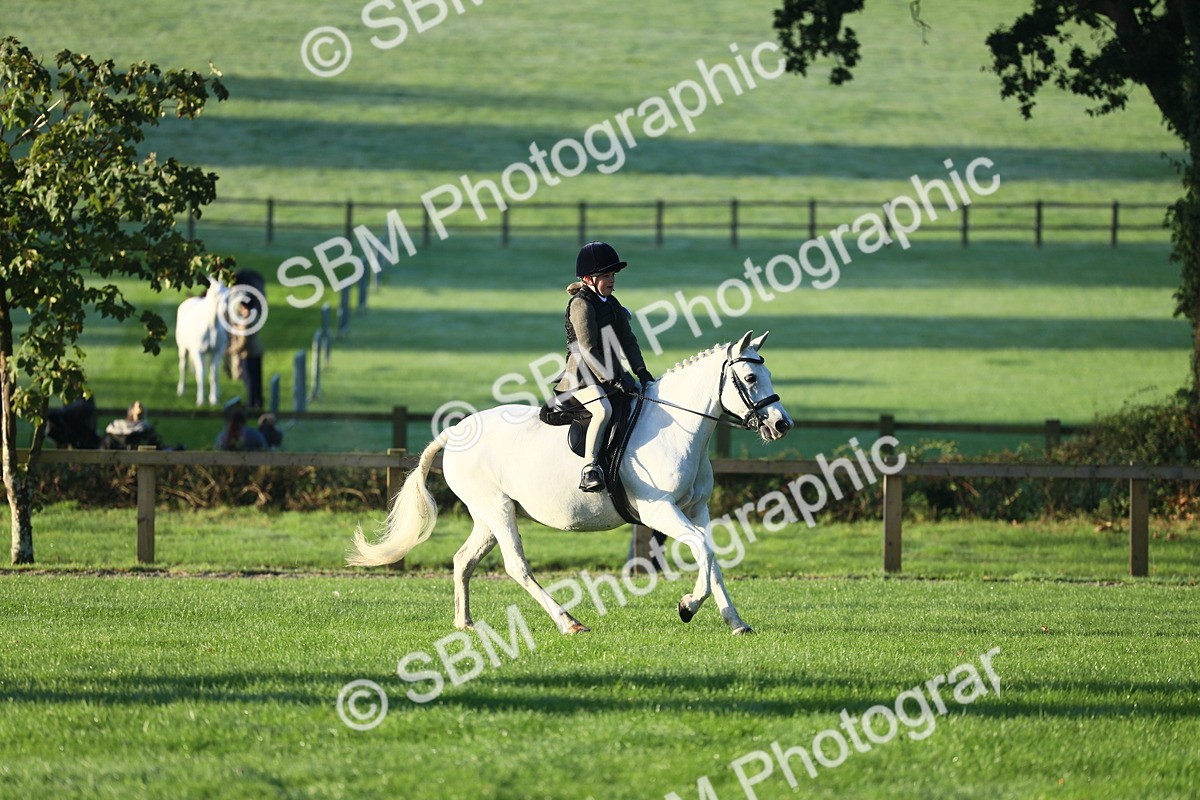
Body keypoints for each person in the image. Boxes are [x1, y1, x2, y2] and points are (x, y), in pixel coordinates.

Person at [552, 241, 655, 492]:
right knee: (602, 410)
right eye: (606, 275)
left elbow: (629, 341)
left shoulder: (612, 303)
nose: (612, 280)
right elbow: (587, 349)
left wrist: (641, 371)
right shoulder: (581, 304)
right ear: (589, 278)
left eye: (613, 275)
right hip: (582, 376)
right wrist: (612, 378)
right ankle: (589, 469)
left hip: (611, 373)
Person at [227, 296, 264, 409]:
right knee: (257, 379)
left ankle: (252, 404)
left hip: (248, 354)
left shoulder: (244, 321)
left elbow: (242, 342)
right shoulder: (254, 316)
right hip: (257, 351)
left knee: (250, 381)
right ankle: (258, 402)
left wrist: (230, 351)